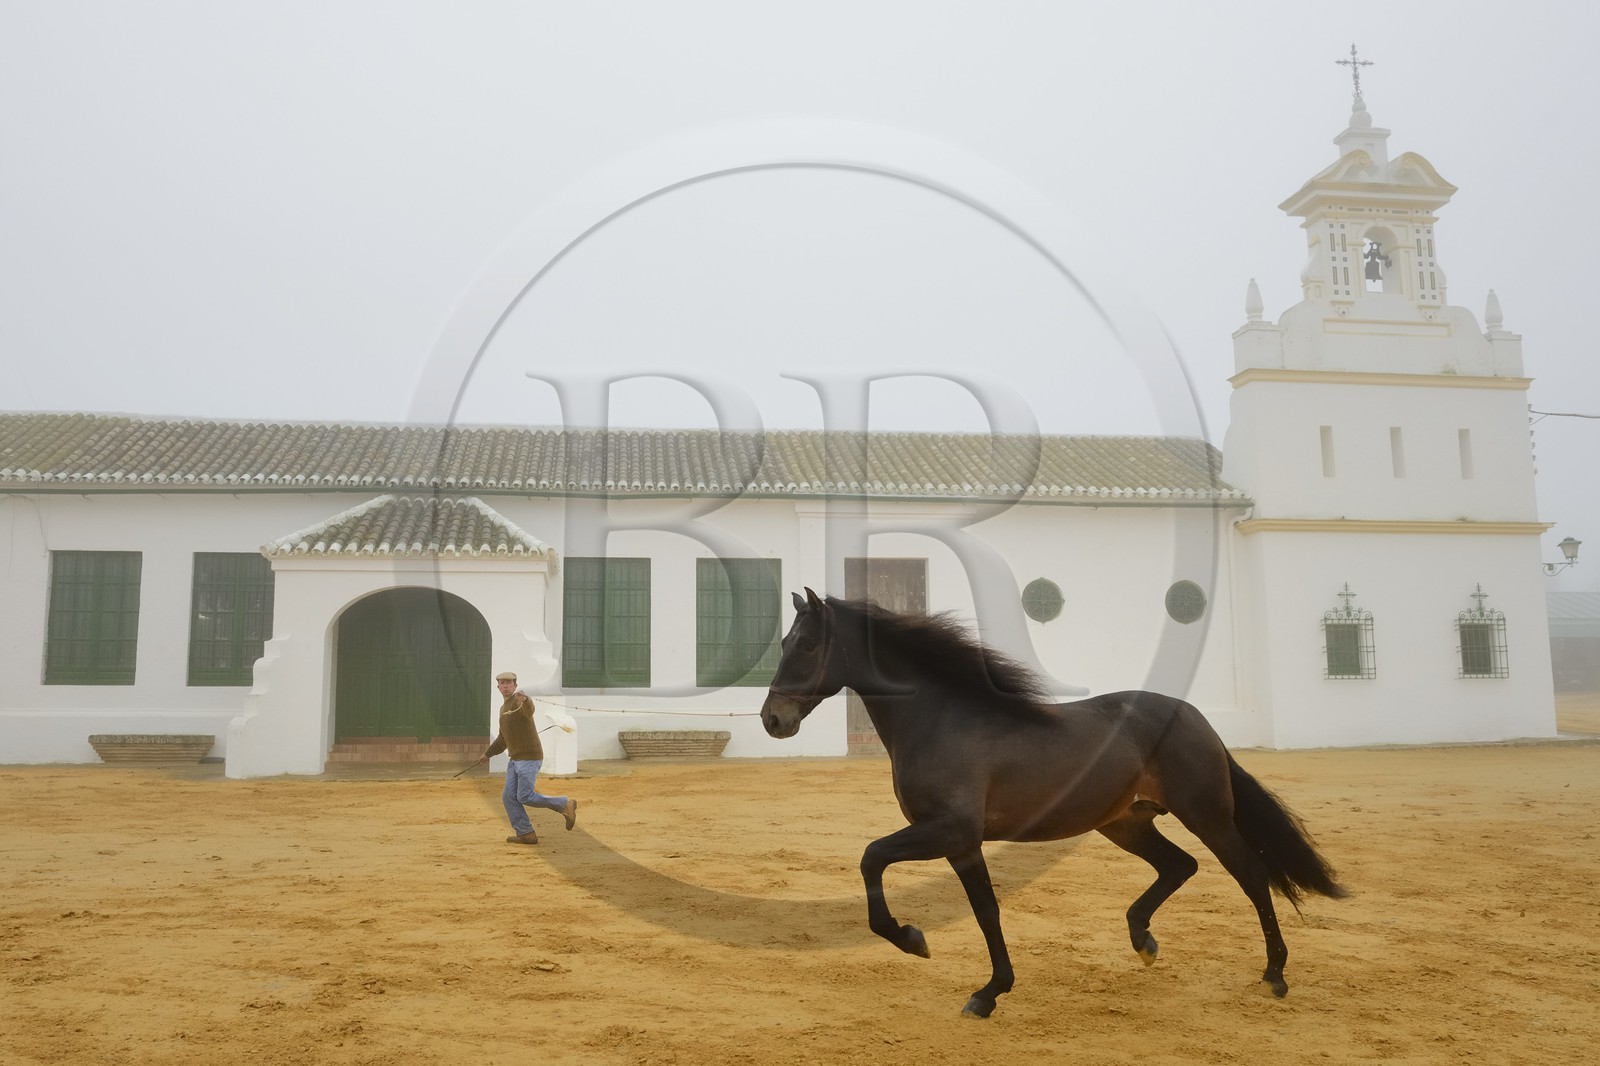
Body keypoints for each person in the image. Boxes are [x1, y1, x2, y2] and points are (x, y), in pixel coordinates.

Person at [477, 671, 577, 845]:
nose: (506, 686)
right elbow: (502, 739)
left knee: (525, 796)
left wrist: (526, 700)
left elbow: (529, 710)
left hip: (529, 758)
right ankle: (526, 833)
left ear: (515, 686)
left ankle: (564, 804)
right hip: (515, 759)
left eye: (509, 683)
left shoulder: (518, 701)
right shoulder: (503, 708)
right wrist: (488, 754)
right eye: (502, 683)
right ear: (498, 687)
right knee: (509, 797)